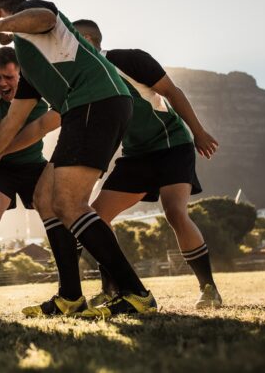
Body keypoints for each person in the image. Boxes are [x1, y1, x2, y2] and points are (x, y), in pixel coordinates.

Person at [0, 0, 155, 317]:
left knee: (68, 203)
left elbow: (45, 16)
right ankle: (70, 296)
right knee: (46, 198)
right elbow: (21, 124)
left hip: (97, 101)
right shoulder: (29, 58)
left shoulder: (33, 13)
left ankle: (135, 293)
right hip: (86, 108)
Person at [71, 19, 222, 309]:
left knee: (175, 212)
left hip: (171, 146)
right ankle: (111, 290)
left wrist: (199, 133)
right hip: (135, 156)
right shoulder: (85, 82)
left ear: (88, 40)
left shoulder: (129, 60)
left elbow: (173, 92)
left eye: (73, 41)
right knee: (94, 218)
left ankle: (209, 289)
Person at [0, 47, 59, 316]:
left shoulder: (41, 87)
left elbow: (48, 123)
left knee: (65, 214)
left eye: (9, 77)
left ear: (22, 72)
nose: (3, 83)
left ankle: (70, 291)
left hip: (33, 165)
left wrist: (2, 148)